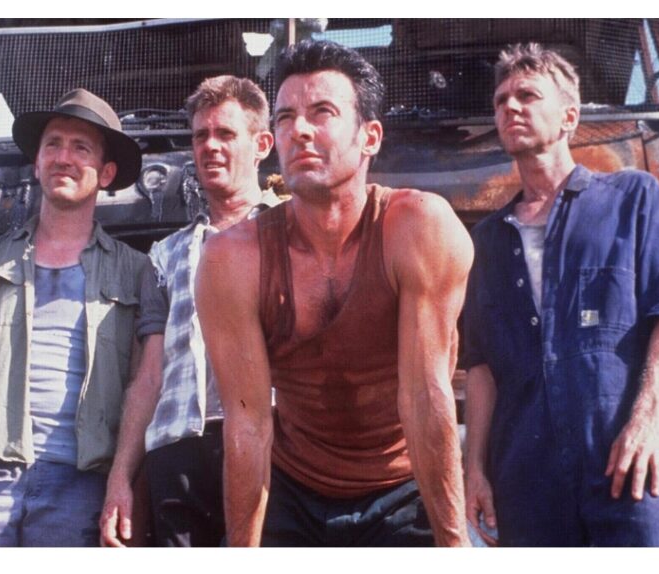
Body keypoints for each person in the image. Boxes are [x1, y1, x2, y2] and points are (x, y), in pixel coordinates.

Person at [195, 40, 472, 547]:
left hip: (402, 485)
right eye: (285, 117)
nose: (299, 129)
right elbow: (249, 422)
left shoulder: (417, 226)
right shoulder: (233, 257)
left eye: (322, 112)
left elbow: (424, 397)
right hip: (292, 485)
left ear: (370, 137)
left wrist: (454, 546)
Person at [462, 43, 659, 547]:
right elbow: (480, 368)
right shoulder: (487, 240)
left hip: (631, 466)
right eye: (500, 101)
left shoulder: (633, 198)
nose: (510, 107)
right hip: (528, 484)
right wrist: (474, 468)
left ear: (569, 116)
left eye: (527, 95)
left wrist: (651, 421)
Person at [0, 88, 150, 546]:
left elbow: (139, 388)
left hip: (79, 487)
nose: (63, 157)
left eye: (80, 148)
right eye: (53, 144)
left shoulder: (138, 272)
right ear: (37, 162)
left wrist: (121, 480)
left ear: (106, 173)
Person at [100, 75, 278, 547]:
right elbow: (149, 377)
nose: (210, 146)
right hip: (177, 455)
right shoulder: (165, 255)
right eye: (201, 136)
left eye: (226, 134)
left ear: (261, 145)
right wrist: (121, 478)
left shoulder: (290, 233)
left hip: (273, 447)